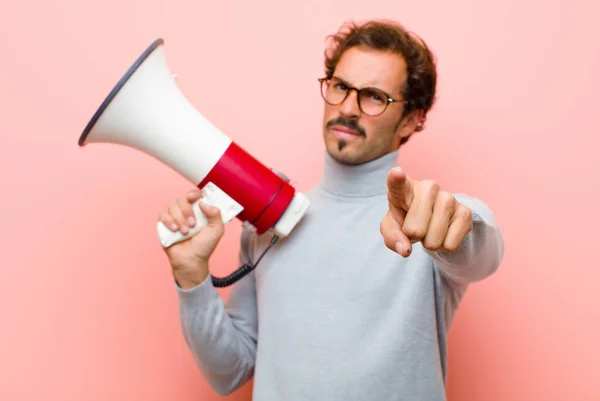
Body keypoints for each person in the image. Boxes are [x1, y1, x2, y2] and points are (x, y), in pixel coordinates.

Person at [158, 19, 504, 401]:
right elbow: (230, 371)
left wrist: (455, 226)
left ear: (412, 118)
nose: (349, 108)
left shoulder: (425, 217)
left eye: (374, 96)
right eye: (340, 87)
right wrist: (191, 277)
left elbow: (478, 251)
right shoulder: (271, 223)